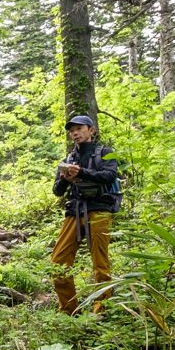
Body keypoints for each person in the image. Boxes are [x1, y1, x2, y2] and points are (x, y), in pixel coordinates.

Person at [50, 114, 119, 314]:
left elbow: (109, 175)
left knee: (100, 262)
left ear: (91, 130)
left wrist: (81, 172)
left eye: (79, 129)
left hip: (99, 210)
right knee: (58, 263)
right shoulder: (67, 159)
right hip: (74, 211)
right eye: (72, 131)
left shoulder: (105, 152)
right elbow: (57, 190)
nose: (75, 133)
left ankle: (102, 311)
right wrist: (66, 179)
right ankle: (69, 310)